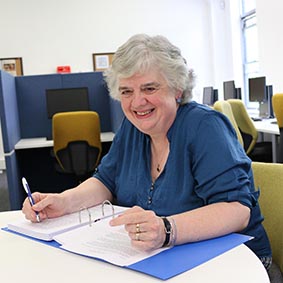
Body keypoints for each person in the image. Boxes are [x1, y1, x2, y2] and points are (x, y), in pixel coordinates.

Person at [22, 34, 272, 270]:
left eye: (149, 89)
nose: (137, 102)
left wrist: (166, 229)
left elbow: (236, 210)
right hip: (165, 261)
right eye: (126, 91)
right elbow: (105, 181)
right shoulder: (132, 129)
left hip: (235, 265)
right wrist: (64, 202)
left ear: (177, 89)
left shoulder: (205, 127)